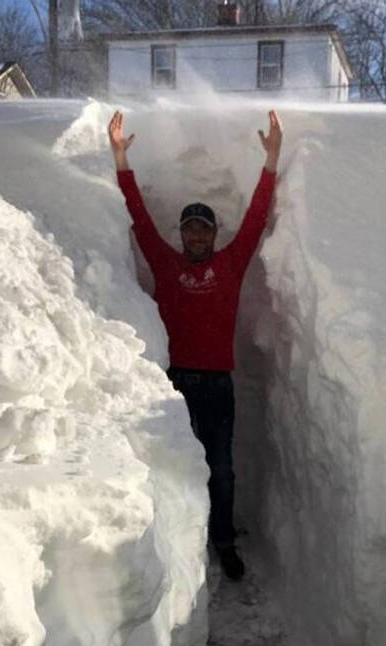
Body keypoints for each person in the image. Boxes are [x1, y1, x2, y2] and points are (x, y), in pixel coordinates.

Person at [109, 109, 282, 580]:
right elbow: (140, 220)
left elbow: (255, 220)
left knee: (221, 469)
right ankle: (178, 541)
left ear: (213, 235)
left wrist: (271, 161)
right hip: (175, 383)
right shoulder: (166, 265)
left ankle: (222, 540)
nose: (197, 235)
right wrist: (122, 161)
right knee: (175, 467)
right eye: (190, 228)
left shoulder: (229, 265)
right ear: (182, 234)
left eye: (204, 228)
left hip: (218, 386)